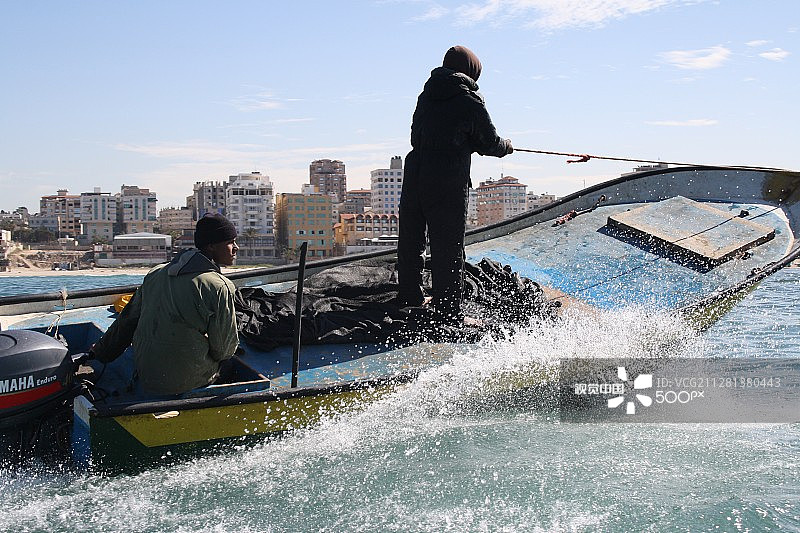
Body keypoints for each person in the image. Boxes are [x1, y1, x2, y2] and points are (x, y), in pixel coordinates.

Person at [397, 45, 513, 324]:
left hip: (416, 172)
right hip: (447, 178)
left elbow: (417, 136)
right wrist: (506, 147)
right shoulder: (469, 101)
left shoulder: (426, 96)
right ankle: (449, 310)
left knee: (411, 239)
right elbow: (489, 142)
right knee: (447, 245)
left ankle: (410, 296)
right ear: (471, 71)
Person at [91, 214, 240, 396]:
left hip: (147, 376)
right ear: (211, 246)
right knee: (232, 364)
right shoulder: (220, 287)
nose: (236, 248)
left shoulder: (155, 273)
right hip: (182, 382)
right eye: (231, 242)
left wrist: (100, 354)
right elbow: (223, 350)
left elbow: (126, 322)